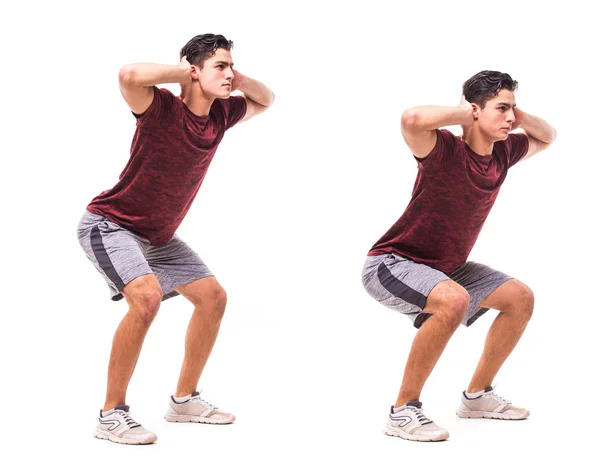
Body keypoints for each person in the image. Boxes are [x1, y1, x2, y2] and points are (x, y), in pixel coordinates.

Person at [77, 33, 274, 445]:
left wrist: (232, 78)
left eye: (230, 65)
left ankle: (184, 401)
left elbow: (267, 99)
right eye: (220, 65)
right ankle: (111, 415)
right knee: (146, 298)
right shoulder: (161, 107)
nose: (229, 72)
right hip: (111, 224)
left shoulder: (220, 116)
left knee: (213, 297)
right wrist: (185, 74)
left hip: (159, 237)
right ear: (193, 70)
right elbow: (130, 75)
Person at [362, 71, 556, 442]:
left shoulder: (504, 152)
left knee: (520, 298)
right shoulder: (444, 149)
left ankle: (477, 396)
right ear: (474, 111)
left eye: (512, 108)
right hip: (393, 263)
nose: (510, 118)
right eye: (501, 108)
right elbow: (411, 119)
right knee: (453, 300)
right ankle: (403, 412)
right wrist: (468, 115)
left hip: (447, 268)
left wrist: (515, 114)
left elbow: (547, 137)